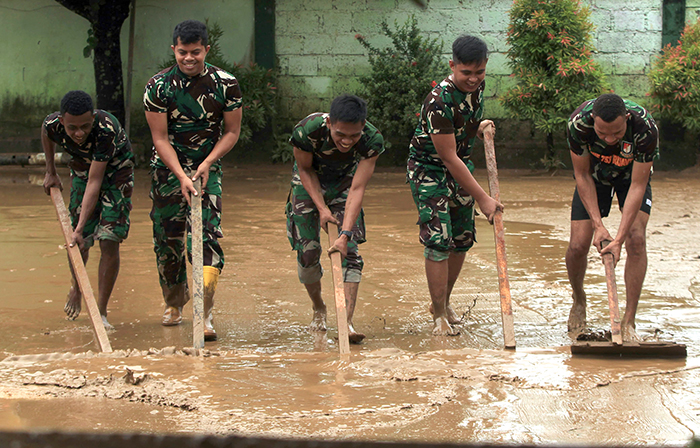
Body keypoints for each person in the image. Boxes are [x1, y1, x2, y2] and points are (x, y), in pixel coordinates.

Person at [144, 19, 242, 341]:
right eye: (183, 52)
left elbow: (231, 131)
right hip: (168, 171)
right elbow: (160, 138)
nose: (189, 59)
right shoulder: (158, 87)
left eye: (196, 52)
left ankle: (205, 311)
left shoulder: (226, 84)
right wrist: (181, 175)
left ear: (206, 50)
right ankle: (174, 303)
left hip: (206, 170)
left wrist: (208, 163)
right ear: (174, 49)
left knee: (206, 241)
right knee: (167, 241)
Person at [407, 35, 503, 336]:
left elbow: (463, 127)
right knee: (438, 239)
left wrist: (478, 129)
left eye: (480, 72)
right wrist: (484, 199)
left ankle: (444, 302)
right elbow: (447, 157)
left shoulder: (478, 88)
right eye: (466, 73)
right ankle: (438, 315)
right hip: (430, 169)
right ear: (452, 66)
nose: (473, 79)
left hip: (460, 163)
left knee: (461, 238)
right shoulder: (438, 101)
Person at [285, 94, 384, 344]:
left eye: (354, 135)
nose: (347, 141)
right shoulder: (307, 131)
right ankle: (319, 308)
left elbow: (357, 188)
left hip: (345, 184)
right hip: (308, 182)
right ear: (329, 123)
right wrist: (321, 208)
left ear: (363, 127)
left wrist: (345, 233)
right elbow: (305, 169)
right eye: (341, 134)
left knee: (349, 251)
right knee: (307, 252)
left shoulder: (372, 141)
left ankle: (346, 322)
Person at [565, 93, 658, 342]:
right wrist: (599, 226)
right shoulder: (578, 124)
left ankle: (629, 320)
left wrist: (618, 238)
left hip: (631, 178)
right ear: (593, 120)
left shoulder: (645, 128)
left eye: (616, 133)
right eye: (603, 133)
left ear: (626, 119)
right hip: (594, 178)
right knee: (578, 245)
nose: (609, 139)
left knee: (636, 239)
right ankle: (579, 299)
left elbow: (639, 184)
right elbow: (581, 175)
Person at [42, 90, 135, 330]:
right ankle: (77, 286)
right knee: (78, 241)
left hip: (116, 172)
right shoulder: (53, 124)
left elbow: (96, 181)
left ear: (93, 118)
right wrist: (50, 171)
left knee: (108, 239)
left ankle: (100, 311)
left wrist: (81, 227)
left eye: (85, 126)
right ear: (62, 121)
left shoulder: (106, 129)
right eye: (72, 128)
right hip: (82, 168)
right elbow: (46, 133)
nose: (79, 133)